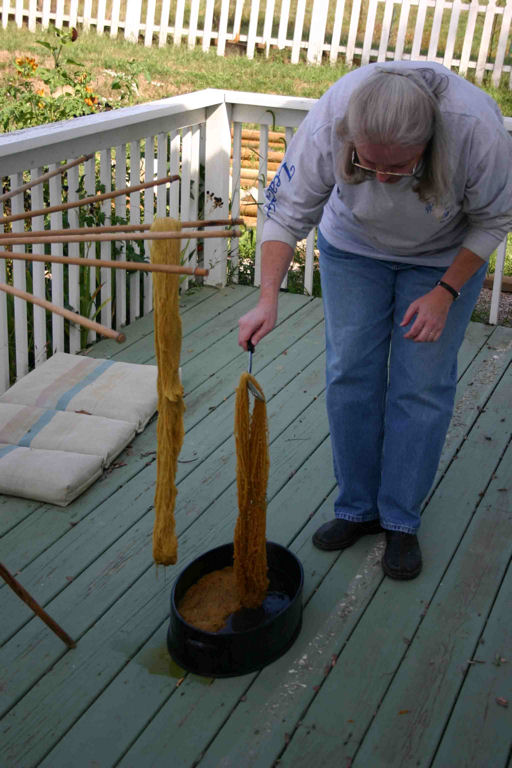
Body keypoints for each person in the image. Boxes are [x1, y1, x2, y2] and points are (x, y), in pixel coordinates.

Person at [237, 60, 512, 580]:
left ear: (428, 142)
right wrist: (267, 298)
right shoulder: (333, 116)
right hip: (353, 248)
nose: (382, 178)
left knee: (421, 384)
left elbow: (495, 218)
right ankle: (357, 508)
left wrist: (445, 293)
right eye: (368, 164)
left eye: (399, 167)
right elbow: (286, 212)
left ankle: (401, 519)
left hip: (442, 258)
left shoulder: (474, 127)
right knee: (350, 372)